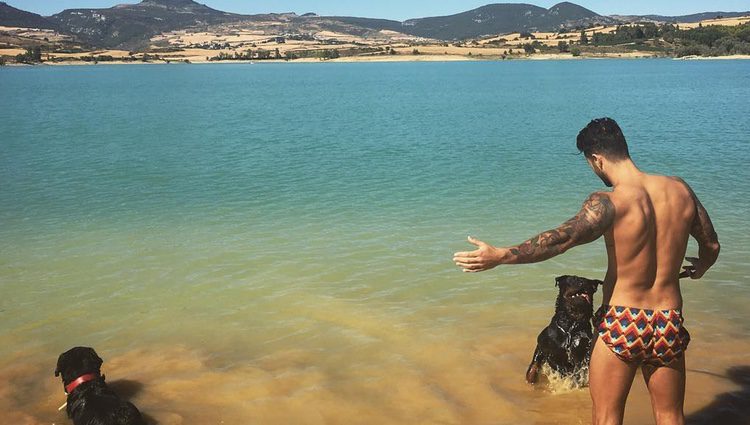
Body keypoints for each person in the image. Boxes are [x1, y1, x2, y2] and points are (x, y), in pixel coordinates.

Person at [452, 118, 720, 425]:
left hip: (624, 317)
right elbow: (711, 245)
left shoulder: (609, 201)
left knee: (607, 417)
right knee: (671, 416)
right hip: (668, 319)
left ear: (597, 158)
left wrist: (501, 255)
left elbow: (562, 239)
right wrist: (701, 268)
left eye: (590, 164)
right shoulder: (679, 189)